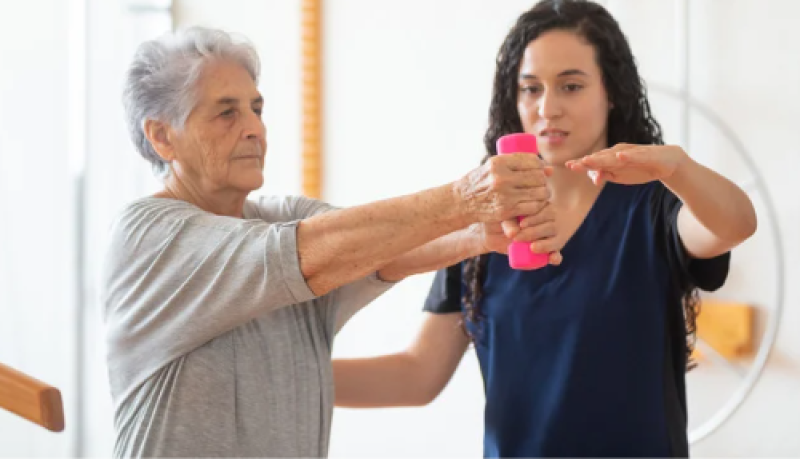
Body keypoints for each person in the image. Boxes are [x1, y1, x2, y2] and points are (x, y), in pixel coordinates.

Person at [102, 26, 559, 458]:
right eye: (227, 112)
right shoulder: (148, 236)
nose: (254, 129)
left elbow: (376, 251)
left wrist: (479, 234)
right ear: (162, 136)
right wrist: (465, 200)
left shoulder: (285, 218)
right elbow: (305, 255)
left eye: (256, 109)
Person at [332, 0, 758, 458]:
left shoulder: (653, 208)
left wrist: (676, 166)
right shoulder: (484, 226)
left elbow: (734, 223)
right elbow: (416, 375)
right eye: (531, 89)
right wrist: (280, 372)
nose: (547, 108)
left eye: (571, 87)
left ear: (610, 92)